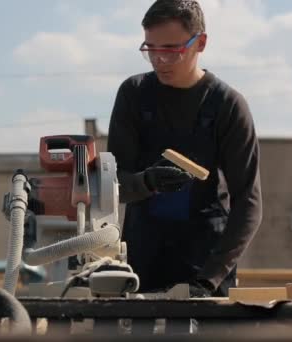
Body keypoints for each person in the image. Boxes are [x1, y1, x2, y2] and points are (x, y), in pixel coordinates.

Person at [107, 0, 263, 297]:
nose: (159, 60)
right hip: (141, 261)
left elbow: (249, 204)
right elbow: (113, 185)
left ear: (200, 42)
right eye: (150, 49)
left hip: (205, 263)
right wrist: (146, 182)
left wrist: (210, 279)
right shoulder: (134, 95)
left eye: (171, 50)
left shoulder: (228, 106)